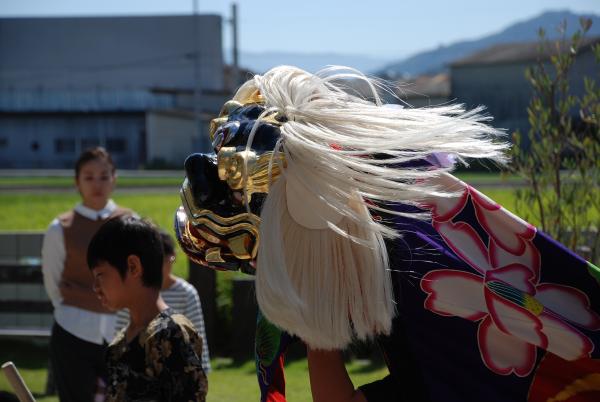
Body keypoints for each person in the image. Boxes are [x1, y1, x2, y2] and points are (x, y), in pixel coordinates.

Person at [41, 146, 134, 402]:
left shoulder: (130, 222)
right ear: (77, 182)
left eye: (104, 176)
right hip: (72, 329)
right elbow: (53, 281)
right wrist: (71, 308)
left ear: (114, 178)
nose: (97, 184)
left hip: (123, 330)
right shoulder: (59, 228)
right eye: (89, 177)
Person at [87, 215, 208, 402]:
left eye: (100, 275)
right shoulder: (119, 345)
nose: (95, 287)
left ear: (133, 267)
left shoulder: (170, 334)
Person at [113, 229, 211, 374]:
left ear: (173, 257)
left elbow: (196, 337)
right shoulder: (131, 293)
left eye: (164, 260)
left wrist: (200, 372)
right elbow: (120, 335)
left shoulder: (186, 293)